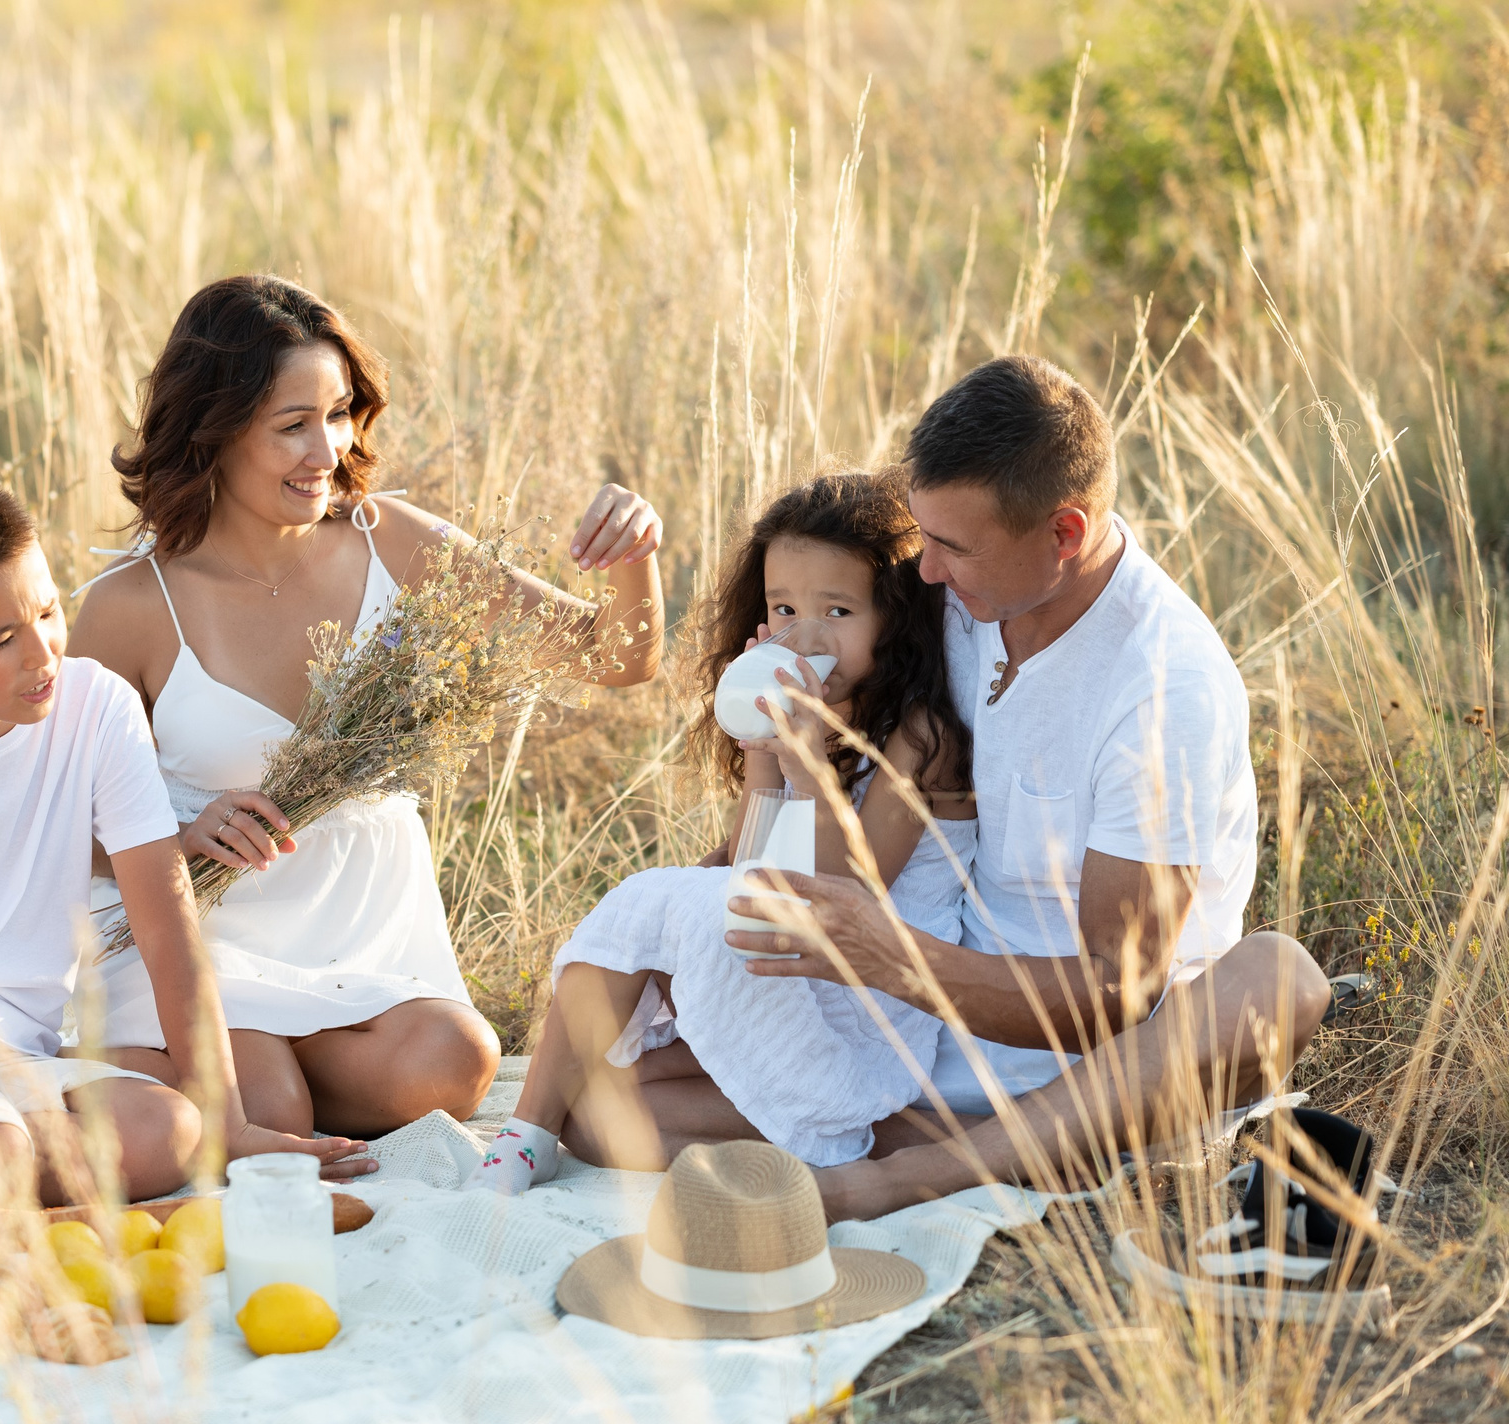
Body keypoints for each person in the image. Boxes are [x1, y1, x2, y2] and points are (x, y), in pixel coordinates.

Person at [724, 357, 1333, 1221]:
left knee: (1280, 979)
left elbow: (1113, 996)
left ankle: (901, 1179)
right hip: (924, 1048)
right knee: (612, 1092)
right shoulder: (963, 602)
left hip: (1101, 1080)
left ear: (1064, 534)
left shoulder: (1165, 685)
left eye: (952, 547)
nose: (923, 571)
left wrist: (888, 953)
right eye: (923, 535)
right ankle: (922, 1149)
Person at [67, 274, 664, 1139]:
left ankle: (244, 1081)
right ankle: (240, 1080)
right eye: (292, 426)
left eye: (340, 413)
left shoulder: (395, 539)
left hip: (359, 938)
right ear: (216, 434)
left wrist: (633, 550)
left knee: (454, 1063)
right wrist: (177, 839)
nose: (328, 449)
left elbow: (620, 658)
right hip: (205, 936)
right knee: (267, 1108)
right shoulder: (129, 604)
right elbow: (55, 809)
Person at [0, 477, 354, 1200]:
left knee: (169, 1131)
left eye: (49, 612)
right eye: (1, 639)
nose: (42, 653)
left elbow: (166, 923)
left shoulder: (94, 706)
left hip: (15, 1051)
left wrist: (229, 1120)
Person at [471, 469, 976, 1190]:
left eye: (838, 610)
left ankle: (835, 1133)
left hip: (862, 1017)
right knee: (589, 1118)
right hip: (788, 975)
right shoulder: (815, 722)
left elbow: (841, 895)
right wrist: (762, 757)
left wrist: (805, 762)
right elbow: (756, 866)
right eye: (785, 608)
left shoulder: (919, 736)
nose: (806, 633)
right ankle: (529, 1134)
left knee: (654, 896)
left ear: (895, 617)